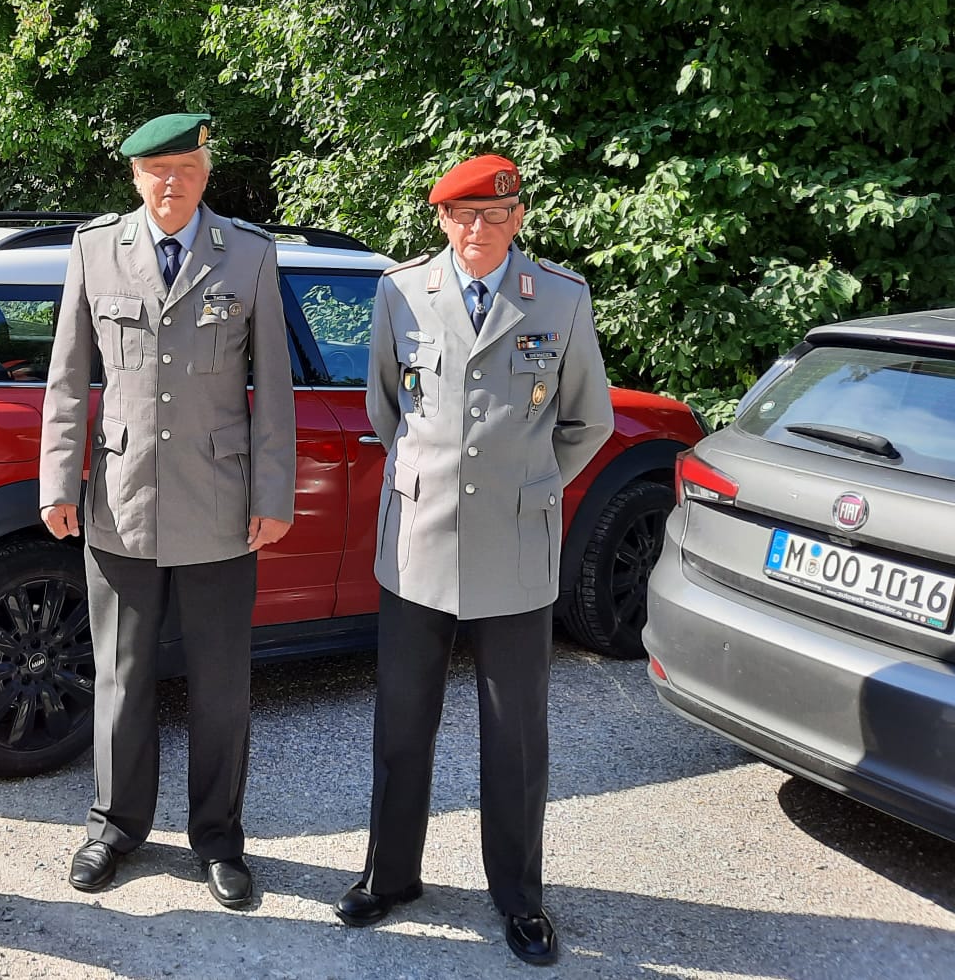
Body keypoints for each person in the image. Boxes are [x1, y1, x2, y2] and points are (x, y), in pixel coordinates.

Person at [335, 154, 613, 966]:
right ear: (443, 221)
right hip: (419, 540)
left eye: (494, 215)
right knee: (401, 722)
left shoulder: (559, 298)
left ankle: (520, 899)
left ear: (517, 218)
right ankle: (390, 877)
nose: (478, 229)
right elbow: (386, 407)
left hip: (515, 543)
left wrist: (529, 486)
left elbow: (587, 420)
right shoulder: (401, 291)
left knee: (515, 733)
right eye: (463, 216)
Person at [38, 112, 297, 909]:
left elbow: (274, 388)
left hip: (221, 503)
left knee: (221, 685)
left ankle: (218, 838)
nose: (171, 182)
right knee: (121, 678)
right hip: (121, 499)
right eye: (157, 169)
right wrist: (57, 481)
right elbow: (67, 377)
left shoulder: (248, 254)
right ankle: (114, 827)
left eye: (185, 167)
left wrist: (273, 495)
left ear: (205, 172)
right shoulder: (95, 249)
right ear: (135, 176)